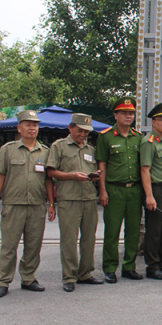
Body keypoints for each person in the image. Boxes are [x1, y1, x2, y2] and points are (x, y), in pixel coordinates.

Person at [0, 110, 56, 298]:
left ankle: (28, 278)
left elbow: (48, 180)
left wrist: (51, 204)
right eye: (28, 124)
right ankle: (2, 281)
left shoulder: (45, 152)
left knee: (34, 246)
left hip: (36, 205)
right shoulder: (8, 150)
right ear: (19, 128)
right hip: (13, 204)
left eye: (35, 125)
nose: (32, 128)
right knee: (9, 246)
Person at [46, 113, 103, 292]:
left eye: (86, 132)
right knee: (69, 239)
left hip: (88, 198)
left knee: (89, 238)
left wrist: (95, 176)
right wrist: (72, 176)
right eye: (80, 131)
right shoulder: (59, 146)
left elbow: (93, 170)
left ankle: (85, 273)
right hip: (69, 198)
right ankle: (69, 276)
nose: (83, 135)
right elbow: (51, 172)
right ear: (70, 128)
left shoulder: (90, 149)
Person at [97, 97, 144, 283]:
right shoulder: (106, 136)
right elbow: (102, 165)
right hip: (114, 189)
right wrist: (102, 190)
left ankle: (129, 266)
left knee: (133, 231)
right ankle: (109, 268)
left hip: (134, 190)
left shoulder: (138, 137)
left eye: (131, 113)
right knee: (112, 231)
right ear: (115, 115)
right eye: (124, 113)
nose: (128, 116)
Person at [140, 102, 162, 280]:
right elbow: (145, 170)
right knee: (153, 230)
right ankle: (152, 266)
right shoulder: (149, 142)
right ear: (153, 122)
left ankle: (161, 262)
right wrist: (149, 196)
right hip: (154, 190)